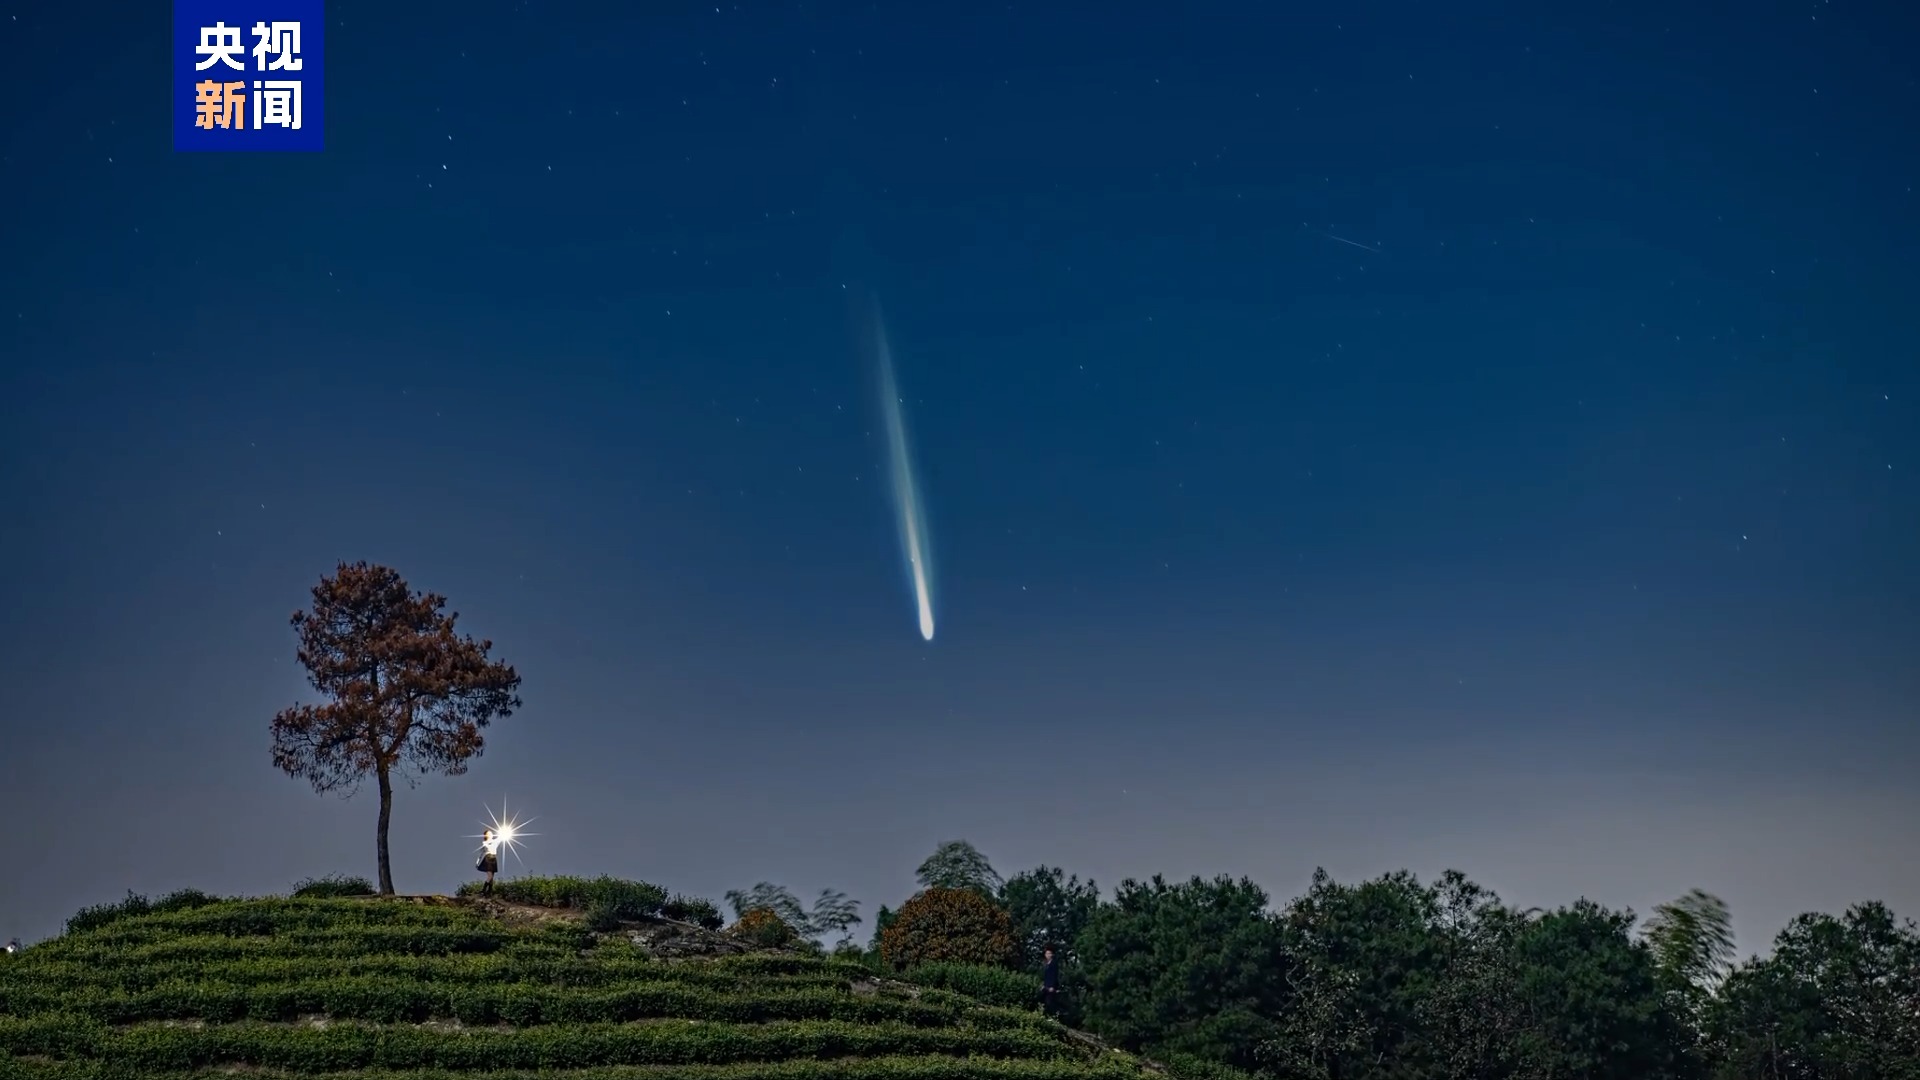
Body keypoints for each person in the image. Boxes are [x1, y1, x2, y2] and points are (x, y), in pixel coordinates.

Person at [476, 829, 500, 895]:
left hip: (494, 858)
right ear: (486, 835)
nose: (491, 834)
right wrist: (477, 862)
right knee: (490, 876)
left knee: (492, 877)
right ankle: (483, 890)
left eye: (491, 833)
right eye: (489, 833)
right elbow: (481, 853)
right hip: (488, 858)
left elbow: (501, 837)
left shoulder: (495, 841)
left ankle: (489, 892)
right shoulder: (484, 842)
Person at [1040, 946, 1060, 1017]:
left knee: (1050, 1002)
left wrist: (1053, 986)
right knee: (1042, 1002)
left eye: (1049, 953)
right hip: (1045, 986)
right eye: (1047, 954)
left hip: (1051, 987)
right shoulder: (1045, 965)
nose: (1048, 955)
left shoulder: (1054, 964)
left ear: (1052, 955)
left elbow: (1054, 976)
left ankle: (1052, 1017)